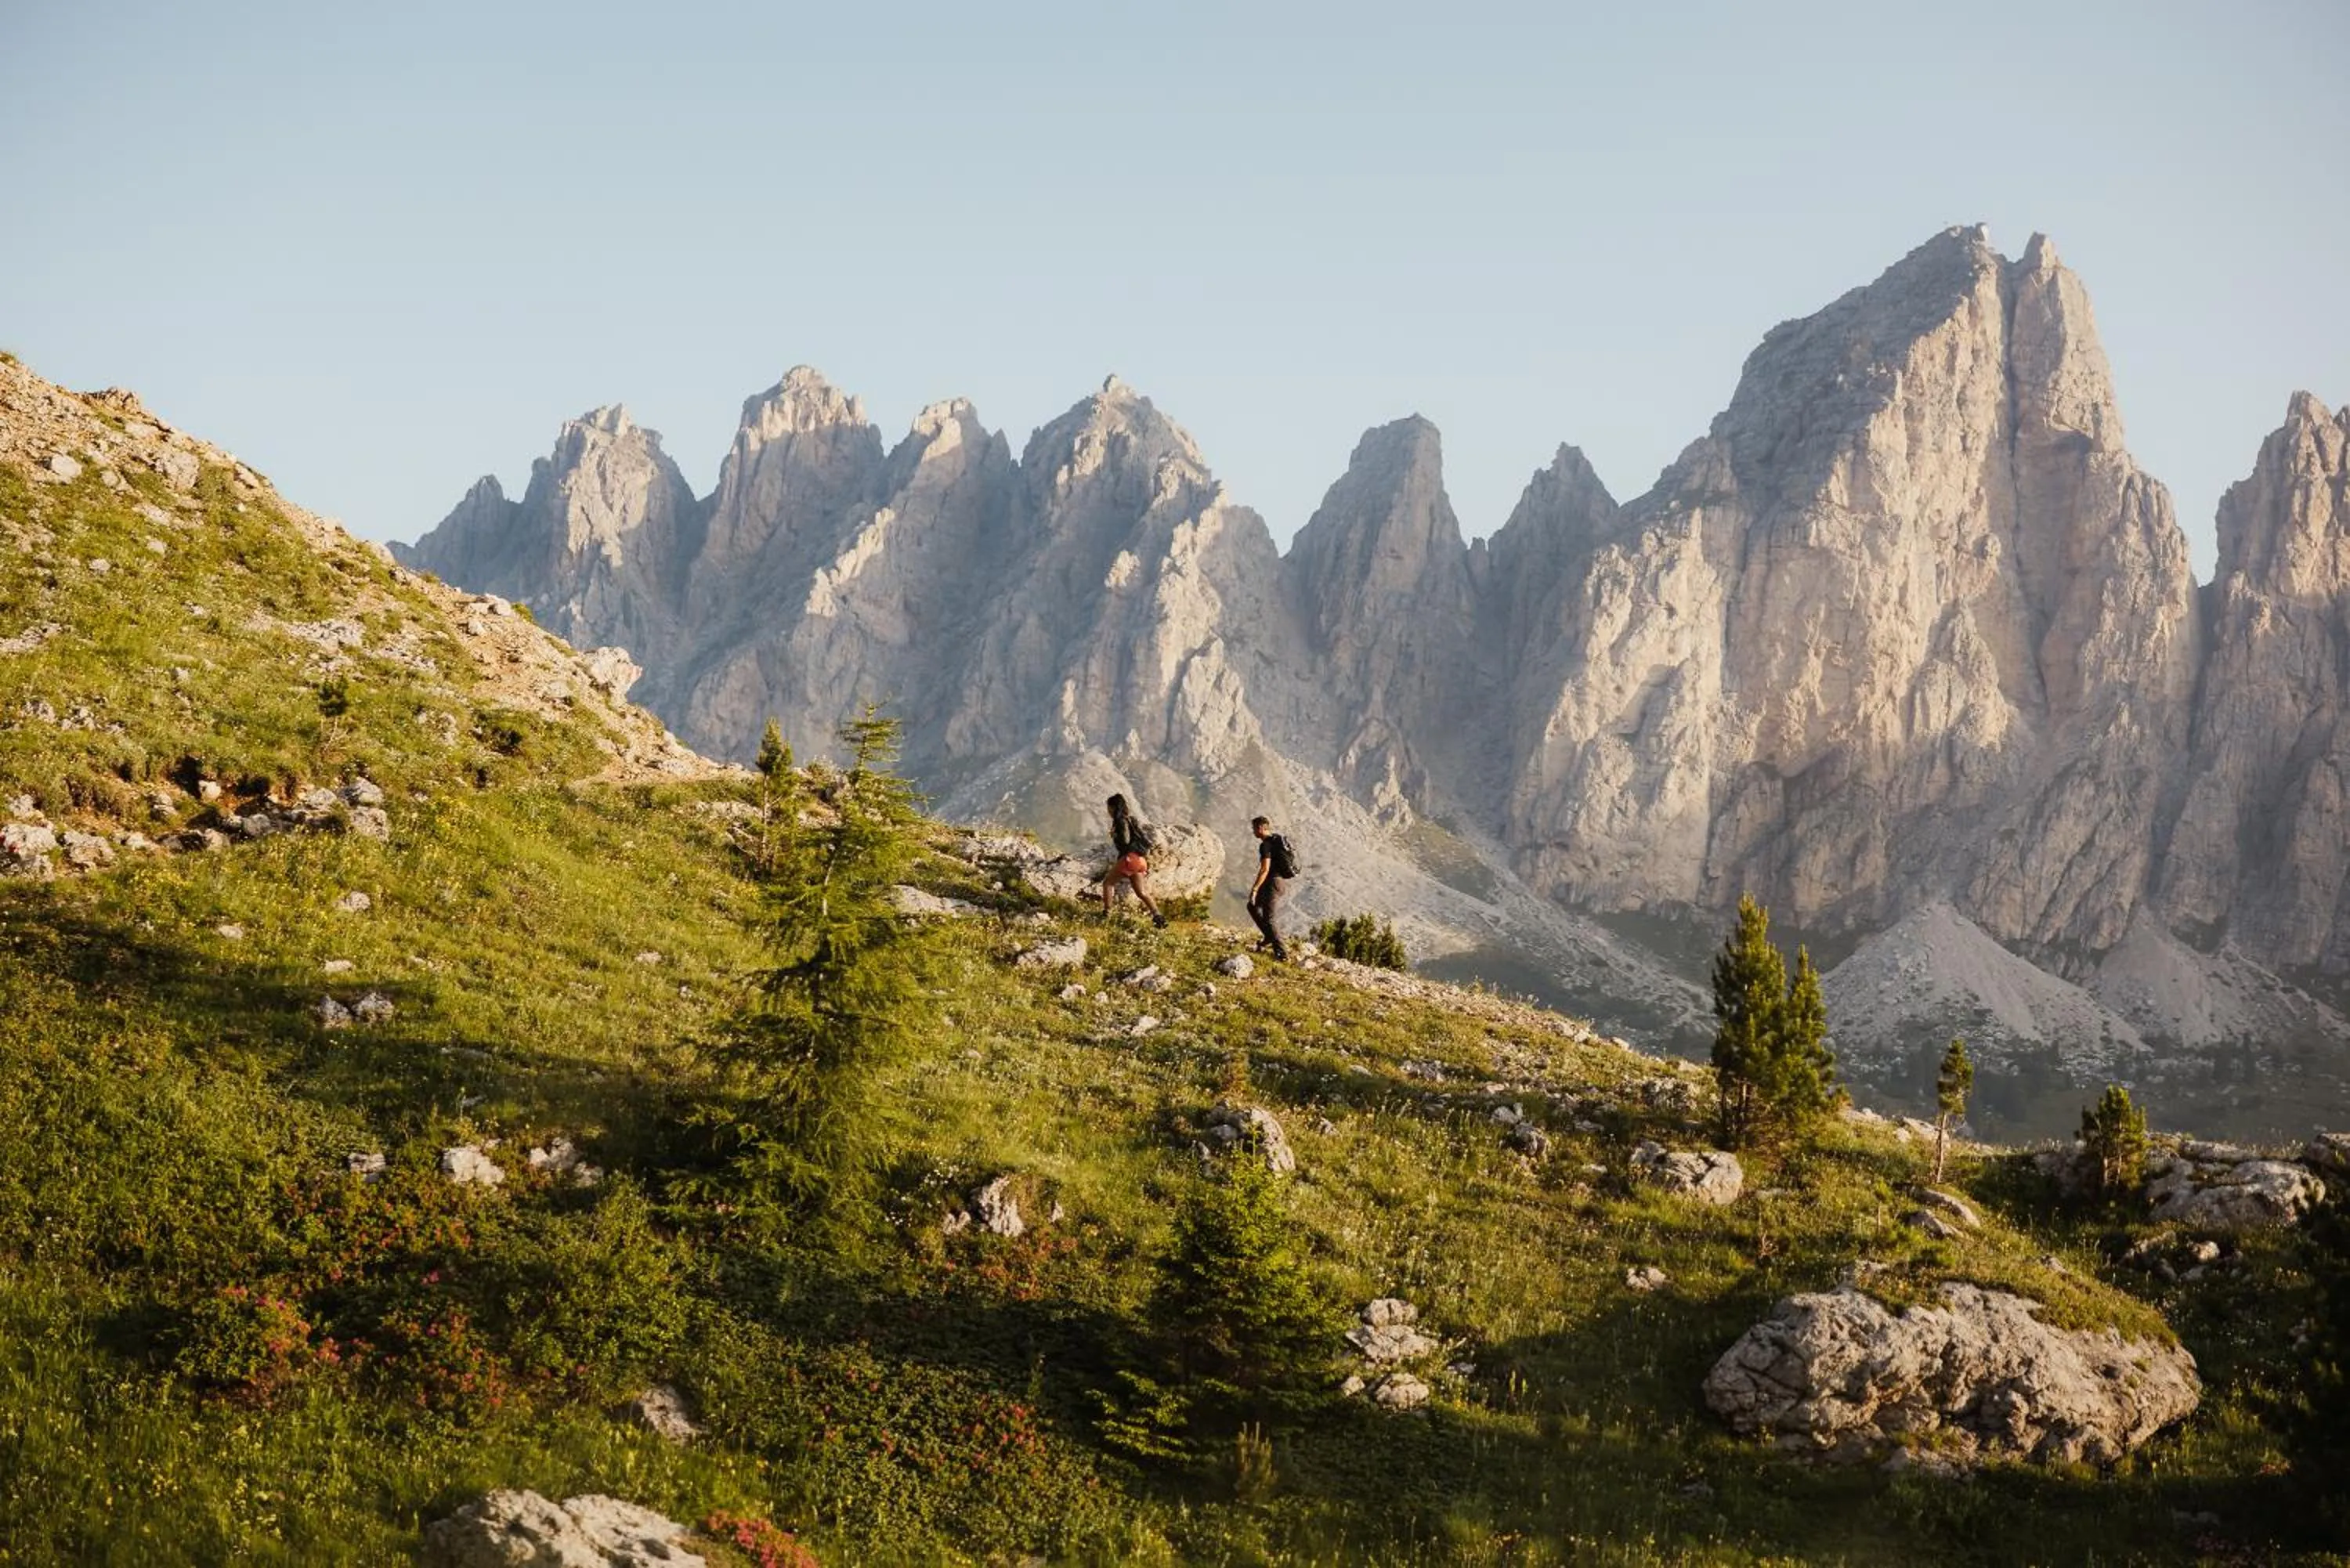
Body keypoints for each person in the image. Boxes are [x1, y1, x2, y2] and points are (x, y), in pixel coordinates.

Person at [1101, 793, 1167, 928]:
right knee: (1141, 892)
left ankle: (1106, 914)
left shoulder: (1120, 821)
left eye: (1109, 808)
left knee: (1108, 883)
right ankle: (1158, 917)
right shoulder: (1132, 820)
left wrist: (1115, 835)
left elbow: (1125, 841)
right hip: (1141, 860)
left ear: (1113, 808)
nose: (1108, 811)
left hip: (1130, 859)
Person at [1248, 815, 1294, 960]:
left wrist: (1255, 889)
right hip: (1279, 884)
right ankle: (1269, 936)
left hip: (1272, 884)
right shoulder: (1278, 839)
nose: (1253, 832)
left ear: (1261, 828)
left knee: (1270, 919)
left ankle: (1282, 954)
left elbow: (1265, 869)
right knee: (1253, 906)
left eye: (1254, 828)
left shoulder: (1266, 845)